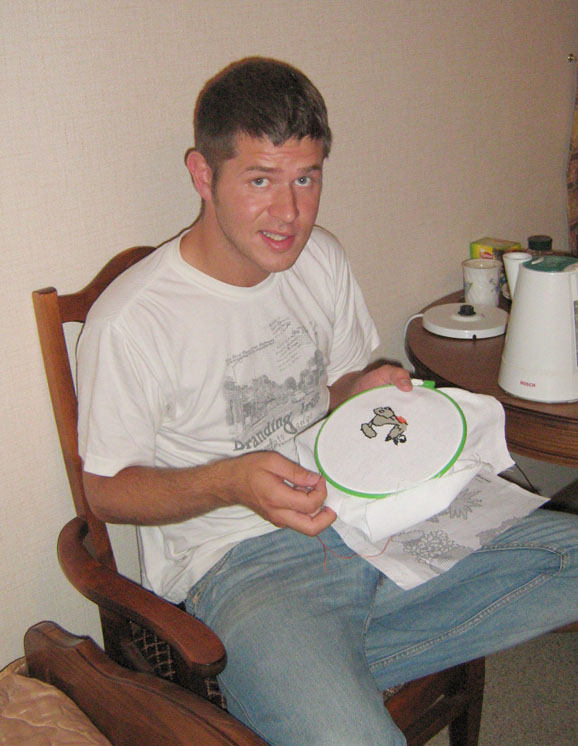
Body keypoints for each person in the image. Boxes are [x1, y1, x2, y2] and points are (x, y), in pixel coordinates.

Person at [77, 57, 578, 746]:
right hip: (244, 566)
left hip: (371, 515)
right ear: (203, 175)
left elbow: (335, 386)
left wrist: (359, 388)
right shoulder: (132, 321)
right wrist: (231, 481)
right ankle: (315, 677)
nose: (289, 214)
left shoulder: (321, 259)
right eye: (260, 180)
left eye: (306, 179)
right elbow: (105, 492)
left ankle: (315, 675)